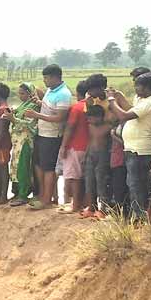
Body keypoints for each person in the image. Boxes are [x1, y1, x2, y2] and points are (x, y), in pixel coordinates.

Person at [108, 73, 151, 220]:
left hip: (140, 150)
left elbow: (124, 116)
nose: (135, 88)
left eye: (138, 85)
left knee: (137, 186)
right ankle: (138, 217)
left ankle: (140, 218)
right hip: (134, 149)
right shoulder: (144, 100)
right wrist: (119, 97)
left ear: (146, 88)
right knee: (133, 184)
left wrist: (112, 100)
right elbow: (131, 110)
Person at [23, 65, 72, 210]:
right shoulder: (51, 91)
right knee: (38, 164)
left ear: (55, 77)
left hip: (52, 135)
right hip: (42, 133)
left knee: (48, 168)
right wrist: (39, 103)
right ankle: (44, 195)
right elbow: (50, 109)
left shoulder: (63, 94)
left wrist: (36, 115)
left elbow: (60, 117)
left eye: (46, 78)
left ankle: (46, 199)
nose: (44, 81)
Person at [57, 81, 93, 214]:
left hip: (75, 146)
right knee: (83, 176)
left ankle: (75, 205)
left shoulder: (77, 108)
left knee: (73, 177)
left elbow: (70, 128)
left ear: (77, 93)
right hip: (88, 146)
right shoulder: (92, 106)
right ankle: (83, 203)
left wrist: (63, 146)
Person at [83, 104, 112, 219]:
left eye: (91, 117)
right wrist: (85, 156)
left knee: (102, 182)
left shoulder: (108, 127)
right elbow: (90, 141)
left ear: (99, 117)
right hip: (91, 155)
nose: (88, 120)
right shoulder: (90, 126)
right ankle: (91, 207)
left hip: (103, 156)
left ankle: (103, 209)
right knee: (89, 182)